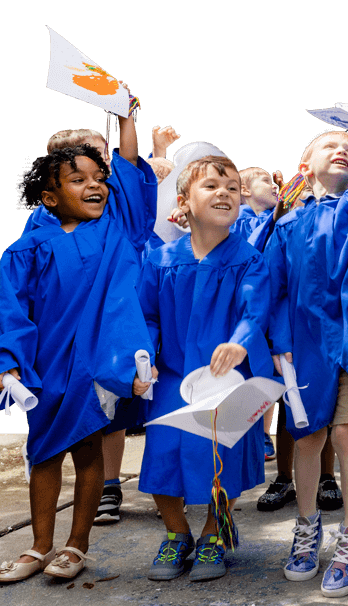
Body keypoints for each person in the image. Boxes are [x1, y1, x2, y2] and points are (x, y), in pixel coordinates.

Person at [0, 107, 156, 583]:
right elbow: (8, 307)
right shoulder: (27, 247)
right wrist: (4, 361)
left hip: (95, 362)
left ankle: (76, 544)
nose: (95, 185)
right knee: (43, 452)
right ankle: (39, 545)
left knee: (89, 448)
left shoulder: (119, 233)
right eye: (79, 180)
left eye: (100, 177)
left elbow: (132, 174)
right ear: (49, 198)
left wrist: (126, 114)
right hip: (45, 364)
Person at [264, 63, 348, 597]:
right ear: (306, 165)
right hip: (302, 349)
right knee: (306, 438)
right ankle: (306, 529)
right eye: (329, 145)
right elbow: (272, 292)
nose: (342, 149)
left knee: (346, 433)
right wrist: (278, 347)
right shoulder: (286, 225)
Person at [138, 155, 278, 582]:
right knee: (161, 453)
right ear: (183, 201)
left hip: (224, 380)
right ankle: (176, 533)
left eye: (233, 188)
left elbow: (256, 310)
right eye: (212, 186)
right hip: (174, 376)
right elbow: (147, 316)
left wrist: (239, 344)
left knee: (221, 457)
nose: (224, 193)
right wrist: (144, 357)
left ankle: (214, 533)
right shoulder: (162, 259)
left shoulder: (249, 260)